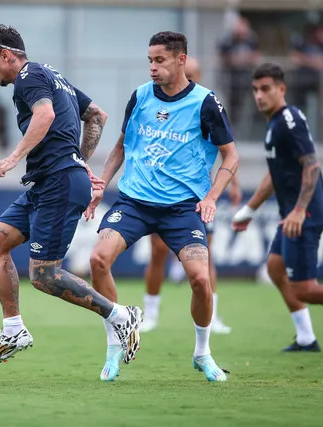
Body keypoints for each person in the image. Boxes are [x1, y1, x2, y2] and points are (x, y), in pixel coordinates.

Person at [0, 25, 142, 367]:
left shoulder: (28, 75)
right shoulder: (53, 75)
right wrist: (81, 160)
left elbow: (46, 114)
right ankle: (13, 328)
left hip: (59, 182)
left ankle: (119, 315)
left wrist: (13, 157)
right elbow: (97, 115)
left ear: (7, 56)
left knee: (44, 275)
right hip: (48, 182)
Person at [87, 31, 239, 382]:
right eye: (150, 61)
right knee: (97, 259)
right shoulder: (140, 96)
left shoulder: (205, 103)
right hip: (135, 202)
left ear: (181, 60)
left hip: (182, 208)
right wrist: (101, 185)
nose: (153, 68)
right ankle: (114, 343)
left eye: (160, 60)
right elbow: (122, 146)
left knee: (201, 279)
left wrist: (212, 196)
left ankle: (202, 353)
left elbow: (231, 155)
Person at [232, 63, 323, 351]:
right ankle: (306, 338)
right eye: (255, 90)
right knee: (275, 268)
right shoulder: (275, 123)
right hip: (293, 213)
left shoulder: (289, 121)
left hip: (304, 214)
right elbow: (275, 175)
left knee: (306, 290)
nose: (259, 95)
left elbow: (311, 165)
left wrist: (299, 210)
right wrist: (249, 209)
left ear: (281, 89)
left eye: (266, 89)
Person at [142, 56, 242, 334]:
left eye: (194, 74)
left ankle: (213, 315)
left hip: (200, 195)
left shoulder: (207, 105)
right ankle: (150, 312)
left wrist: (233, 185)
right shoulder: (160, 103)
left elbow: (227, 150)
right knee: (157, 252)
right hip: (162, 194)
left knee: (204, 256)